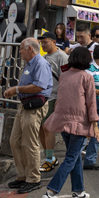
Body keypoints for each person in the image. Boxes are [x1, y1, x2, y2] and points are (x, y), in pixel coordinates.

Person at [40, 46, 99, 198]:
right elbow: (91, 103)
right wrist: (94, 125)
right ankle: (52, 192)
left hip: (62, 121)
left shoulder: (65, 76)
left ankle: (78, 191)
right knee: (71, 158)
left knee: (73, 158)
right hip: (79, 123)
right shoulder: (87, 77)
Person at [4, 37, 53, 194]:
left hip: (34, 106)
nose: (19, 52)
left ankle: (33, 178)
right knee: (15, 141)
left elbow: (39, 85)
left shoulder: (40, 63)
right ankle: (22, 175)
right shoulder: (30, 64)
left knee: (29, 143)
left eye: (21, 48)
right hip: (24, 105)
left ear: (30, 49)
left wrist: (17, 89)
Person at [38, 31, 68, 173]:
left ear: (54, 42)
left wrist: (60, 100)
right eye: (41, 42)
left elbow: (66, 79)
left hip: (54, 97)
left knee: (48, 128)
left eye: (45, 42)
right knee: (40, 128)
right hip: (43, 97)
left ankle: (49, 160)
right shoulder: (43, 58)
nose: (43, 45)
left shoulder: (62, 56)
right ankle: (50, 157)